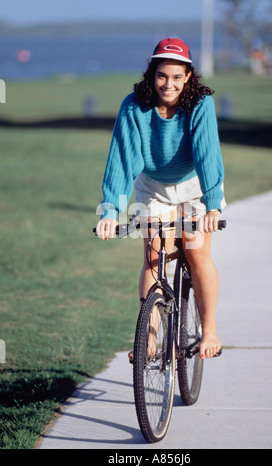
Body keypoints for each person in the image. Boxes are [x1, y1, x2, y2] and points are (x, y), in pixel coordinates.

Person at [96, 38, 226, 360]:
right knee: (155, 257)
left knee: (196, 253)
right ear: (152, 74)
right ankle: (149, 339)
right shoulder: (133, 106)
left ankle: (209, 329)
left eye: (177, 77)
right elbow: (122, 160)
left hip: (194, 187)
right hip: (153, 188)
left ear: (188, 77)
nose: (169, 84)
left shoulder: (200, 104)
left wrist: (212, 204)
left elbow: (208, 154)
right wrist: (110, 211)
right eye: (162, 76)